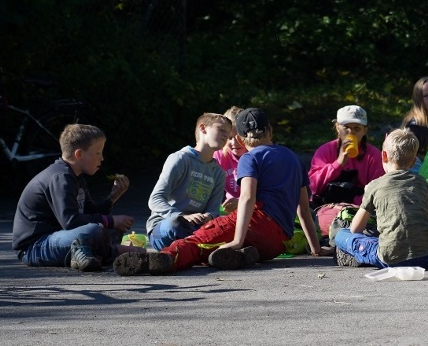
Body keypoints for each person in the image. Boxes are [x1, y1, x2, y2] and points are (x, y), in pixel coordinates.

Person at [114, 108, 326, 275]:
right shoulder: (294, 158)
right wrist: (315, 248)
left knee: (196, 243)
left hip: (256, 224)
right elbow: (304, 209)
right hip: (277, 243)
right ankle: (241, 256)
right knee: (215, 246)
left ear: (241, 137)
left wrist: (238, 239)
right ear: (270, 130)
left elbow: (247, 199)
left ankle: (160, 260)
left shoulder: (250, 158)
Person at [12, 124, 135, 271]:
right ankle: (114, 252)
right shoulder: (61, 177)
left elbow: (88, 213)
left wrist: (112, 198)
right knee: (94, 231)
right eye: (97, 153)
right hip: (35, 247)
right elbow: (71, 221)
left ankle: (88, 254)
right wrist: (112, 220)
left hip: (61, 239)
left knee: (112, 230)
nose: (102, 158)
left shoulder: (75, 177)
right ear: (79, 154)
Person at [333, 128, 428, 269]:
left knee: (342, 235)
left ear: (383, 156)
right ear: (414, 161)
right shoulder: (422, 183)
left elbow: (355, 229)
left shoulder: (375, 185)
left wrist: (366, 197)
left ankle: (360, 255)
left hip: (391, 259)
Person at [145, 113, 234, 251]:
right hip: (165, 227)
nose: (225, 136)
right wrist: (182, 216)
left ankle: (199, 251)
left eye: (228, 134)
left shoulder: (218, 173)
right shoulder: (180, 159)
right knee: (176, 225)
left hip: (195, 228)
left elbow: (213, 210)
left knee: (230, 229)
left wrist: (208, 216)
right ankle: (202, 250)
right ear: (203, 128)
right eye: (221, 130)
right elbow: (155, 199)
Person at [308, 104, 384, 212]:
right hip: (324, 207)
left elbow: (378, 192)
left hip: (359, 211)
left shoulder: (373, 155)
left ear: (364, 131)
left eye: (356, 128)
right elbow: (312, 188)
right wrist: (338, 164)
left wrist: (350, 206)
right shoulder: (325, 150)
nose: (351, 132)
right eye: (346, 127)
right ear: (338, 127)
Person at [213, 106, 245, 208]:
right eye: (229, 138)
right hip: (230, 207)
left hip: (256, 206)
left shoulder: (256, 156)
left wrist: (241, 201)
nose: (234, 143)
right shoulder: (219, 156)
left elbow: (268, 192)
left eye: (239, 137)